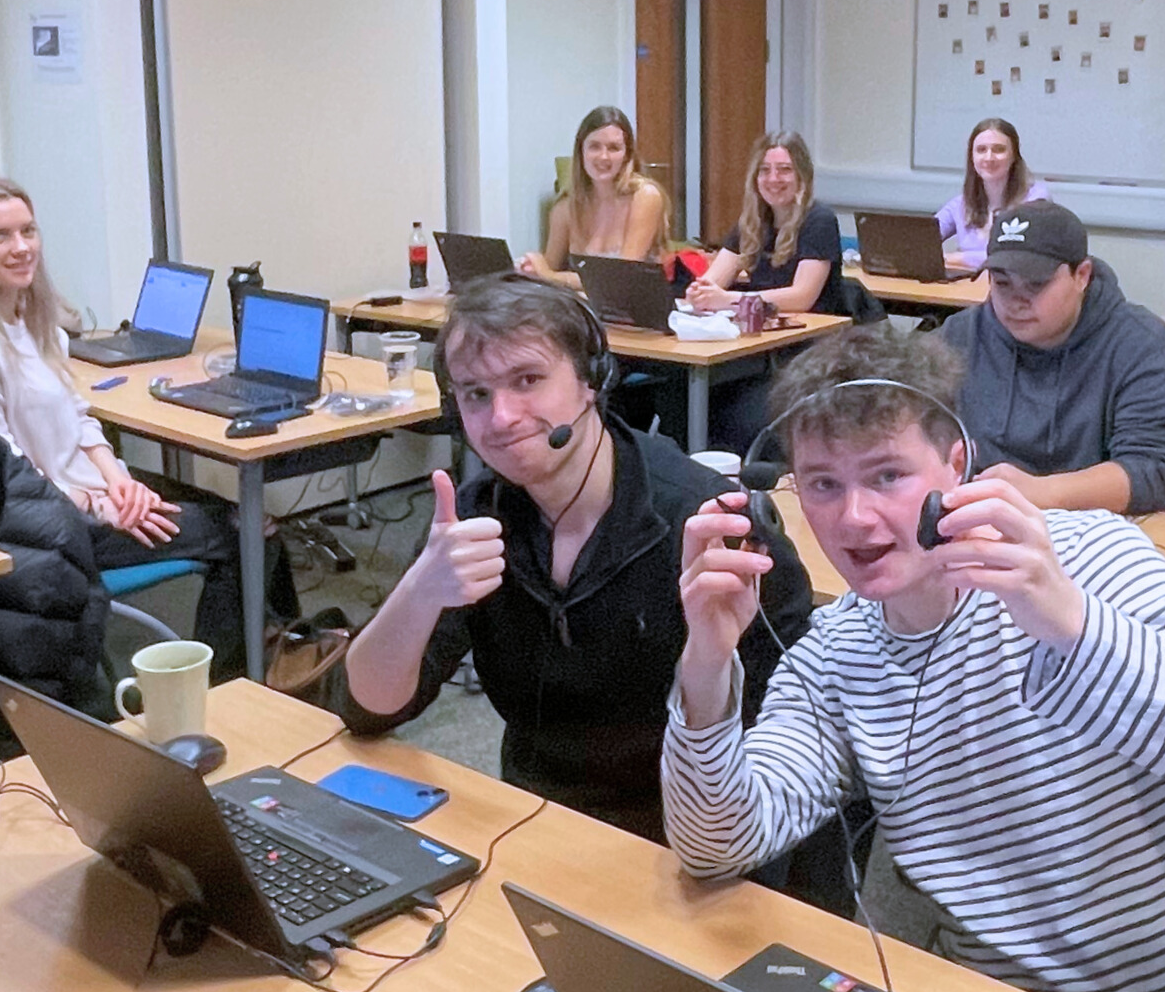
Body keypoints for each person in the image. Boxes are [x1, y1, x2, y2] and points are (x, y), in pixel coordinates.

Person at [663, 327, 1165, 992]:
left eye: (887, 475)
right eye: (822, 484)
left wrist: (1071, 626)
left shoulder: (1090, 559)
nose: (853, 519)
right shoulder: (835, 653)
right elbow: (716, 844)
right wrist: (707, 661)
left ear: (956, 466)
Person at [343, 275, 813, 845]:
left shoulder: (706, 527)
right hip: (533, 827)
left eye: (528, 380)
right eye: (475, 394)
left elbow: (787, 759)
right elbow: (370, 708)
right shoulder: (475, 516)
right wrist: (419, 591)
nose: (501, 417)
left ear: (593, 379)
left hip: (691, 842)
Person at [0, 176, 290, 656]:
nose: (21, 247)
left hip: (90, 491)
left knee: (252, 517)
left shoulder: (29, 315)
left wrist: (118, 480)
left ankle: (279, 659)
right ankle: (228, 690)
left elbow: (78, 416)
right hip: (47, 525)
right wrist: (95, 505)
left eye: (28, 231)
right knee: (249, 533)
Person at [937, 200, 1165, 514]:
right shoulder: (959, 336)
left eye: (1036, 284)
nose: (1016, 301)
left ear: (1082, 275)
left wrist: (1041, 492)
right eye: (1002, 282)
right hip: (975, 522)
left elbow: (1154, 471)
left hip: (1094, 531)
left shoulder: (1144, 348)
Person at [684, 132, 864, 319]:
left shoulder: (819, 220)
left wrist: (731, 299)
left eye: (784, 169)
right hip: (766, 328)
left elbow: (802, 298)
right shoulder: (751, 222)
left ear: (802, 176)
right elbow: (713, 281)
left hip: (812, 334)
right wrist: (699, 292)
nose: (773, 179)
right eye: (764, 170)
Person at [517, 106, 667, 289]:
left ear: (627, 155)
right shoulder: (565, 208)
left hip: (633, 310)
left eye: (614, 148)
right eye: (594, 147)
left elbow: (622, 277)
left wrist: (549, 276)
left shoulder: (645, 197)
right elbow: (547, 273)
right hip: (582, 308)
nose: (604, 157)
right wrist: (530, 269)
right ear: (581, 152)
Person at [933, 117, 1047, 267]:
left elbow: (1015, 254)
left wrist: (956, 258)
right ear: (972, 157)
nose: (989, 157)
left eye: (999, 150)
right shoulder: (960, 204)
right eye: (981, 150)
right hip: (968, 287)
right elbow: (921, 240)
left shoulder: (1035, 199)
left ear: (1014, 156)